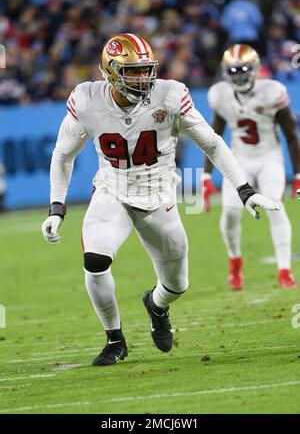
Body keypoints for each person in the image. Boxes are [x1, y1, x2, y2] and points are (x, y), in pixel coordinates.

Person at [42, 34, 279, 366]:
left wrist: (245, 190)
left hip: (160, 197)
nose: (143, 79)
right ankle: (114, 339)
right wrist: (57, 207)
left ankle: (156, 305)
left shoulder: (169, 96)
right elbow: (62, 155)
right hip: (113, 193)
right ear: (110, 72)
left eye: (145, 70)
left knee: (177, 284)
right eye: (132, 71)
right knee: (95, 260)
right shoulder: (87, 100)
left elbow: (212, 143)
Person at [204, 44, 300, 291]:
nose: (237, 75)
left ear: (255, 69)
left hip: (269, 158)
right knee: (230, 213)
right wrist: (206, 175)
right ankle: (235, 263)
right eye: (232, 70)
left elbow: (291, 135)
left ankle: (284, 269)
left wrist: (298, 174)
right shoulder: (220, 94)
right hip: (239, 161)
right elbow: (214, 137)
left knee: (276, 208)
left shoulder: (272, 91)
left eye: (243, 69)